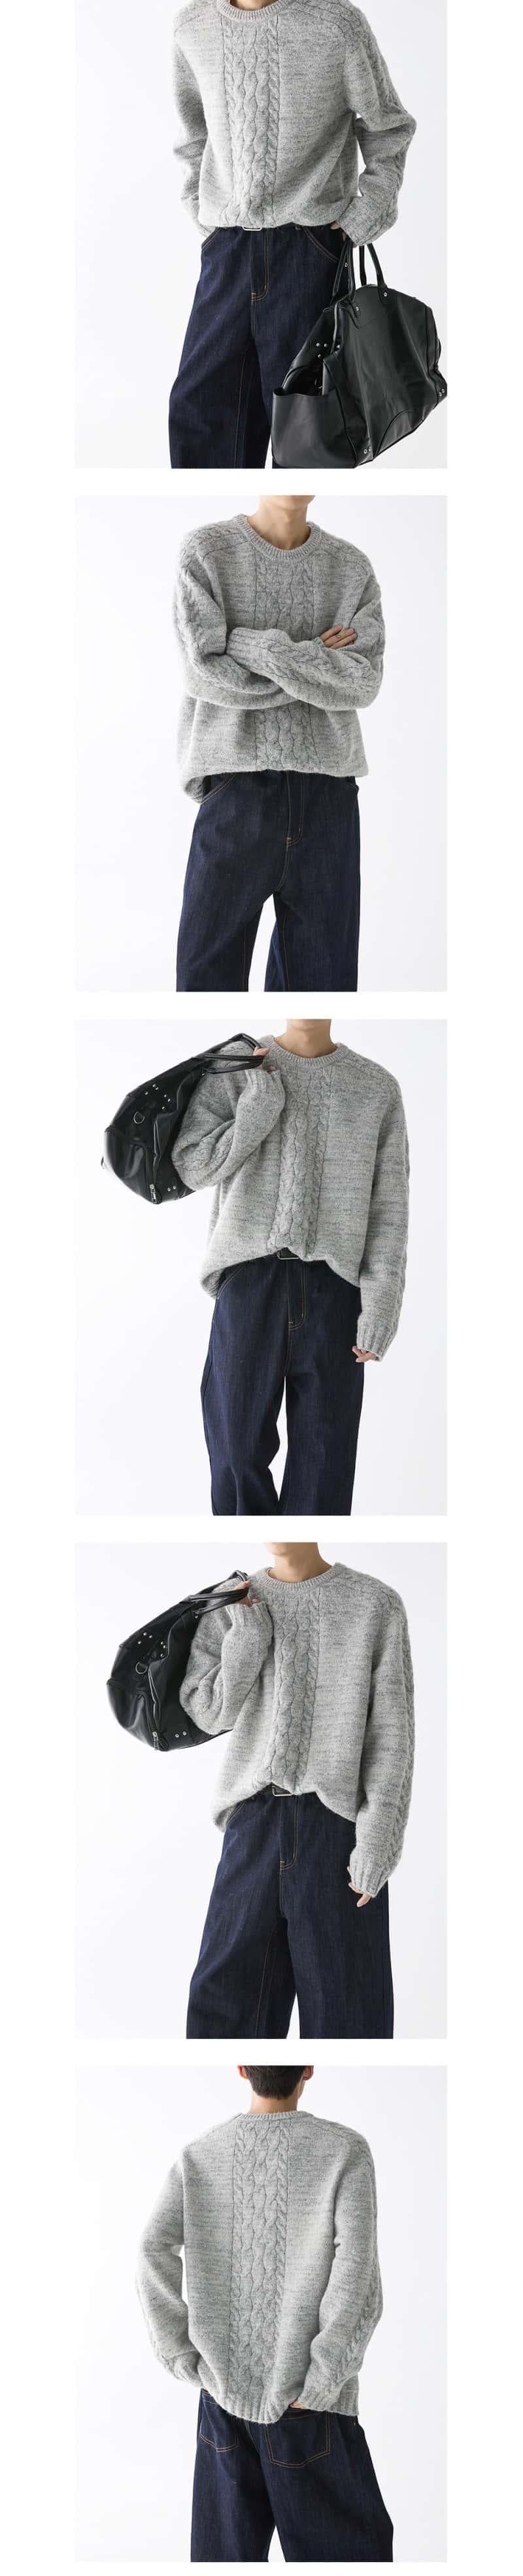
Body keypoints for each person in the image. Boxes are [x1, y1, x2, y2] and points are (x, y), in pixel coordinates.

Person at [136, 2062, 394, 2563]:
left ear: (241, 2068)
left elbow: (151, 2248)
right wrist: (321, 2381)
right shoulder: (343, 2150)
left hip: (222, 2401)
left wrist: (183, 2357)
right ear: (309, 2069)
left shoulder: (200, 2155)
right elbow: (357, 2274)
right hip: (311, 2407)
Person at [169, 0, 416, 466]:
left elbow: (389, 128)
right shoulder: (192, 26)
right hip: (226, 251)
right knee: (201, 416)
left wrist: (364, 215)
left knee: (305, 429)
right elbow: (194, 136)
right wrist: (203, 212)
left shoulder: (336, 24)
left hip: (310, 249)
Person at [174, 1016, 409, 1514]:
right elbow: (194, 1164)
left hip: (336, 1291)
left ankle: (305, 1546)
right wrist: (259, 1102)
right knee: (235, 1455)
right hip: (249, 1280)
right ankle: (260, 1547)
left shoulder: (376, 1087)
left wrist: (381, 1308)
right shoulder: (237, 1067)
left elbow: (389, 1208)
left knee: (325, 1464)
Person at [181, 1539, 414, 2036]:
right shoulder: (231, 1601)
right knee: (223, 2014)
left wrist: (378, 1843)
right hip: (251, 1823)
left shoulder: (375, 1603)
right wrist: (247, 1632)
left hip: (337, 1831)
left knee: (348, 2017)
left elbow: (392, 1735)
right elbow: (208, 1712)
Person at [175, 495, 384, 991]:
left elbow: (363, 682)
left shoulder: (351, 567)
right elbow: (204, 672)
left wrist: (249, 644)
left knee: (322, 985)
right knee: (204, 985)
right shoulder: (207, 552)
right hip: (236, 787)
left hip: (330, 795)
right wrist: (313, 660)